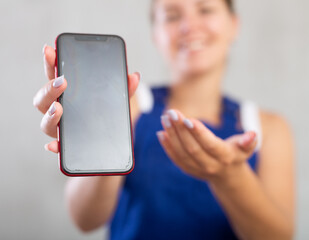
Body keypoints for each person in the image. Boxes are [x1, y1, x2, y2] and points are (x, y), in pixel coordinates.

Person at [33, 0, 295, 239]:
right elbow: (85, 219)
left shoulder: (267, 128)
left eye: (205, 10)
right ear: (155, 35)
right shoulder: (127, 106)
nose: (189, 26)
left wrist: (229, 177)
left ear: (234, 25)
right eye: (171, 16)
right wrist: (101, 138)